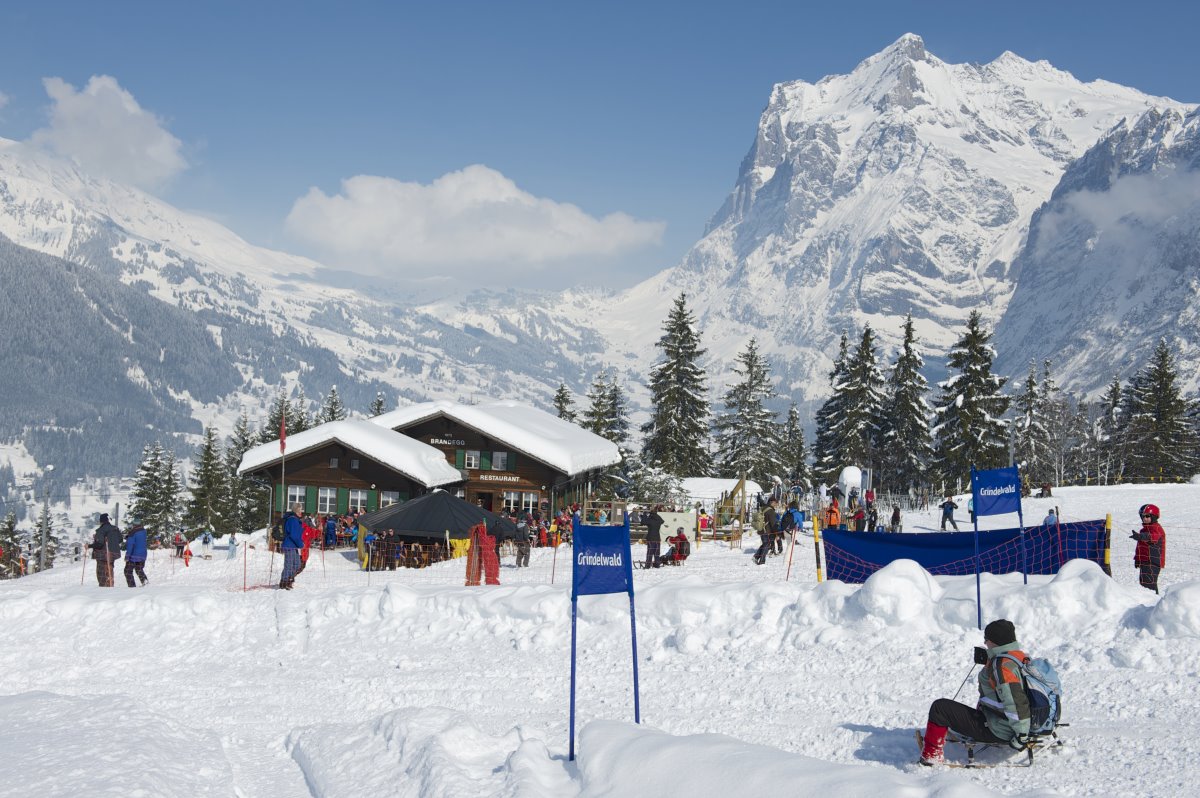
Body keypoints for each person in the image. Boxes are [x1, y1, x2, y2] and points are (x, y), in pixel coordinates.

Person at [918, 619, 1031, 765]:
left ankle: (930, 756)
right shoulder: (1019, 657)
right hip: (1005, 723)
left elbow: (1015, 702)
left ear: (995, 641)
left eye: (987, 639)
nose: (985, 643)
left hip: (1000, 729)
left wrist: (1021, 735)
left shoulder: (1002, 666)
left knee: (940, 708)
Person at [1131, 503, 1166, 594]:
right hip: (1144, 561)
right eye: (1143, 516)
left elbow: (1153, 537)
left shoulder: (1156, 528)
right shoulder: (1143, 530)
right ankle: (1147, 604)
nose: (1145, 518)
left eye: (1147, 516)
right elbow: (1140, 547)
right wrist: (1137, 559)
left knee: (1149, 585)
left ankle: (1154, 603)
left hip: (1153, 562)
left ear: (1154, 517)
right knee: (1143, 584)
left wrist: (1141, 536)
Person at [91, 513, 122, 587]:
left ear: (101, 521)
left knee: (101, 573)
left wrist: (89, 546)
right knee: (109, 570)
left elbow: (99, 544)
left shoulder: (101, 530)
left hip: (103, 555)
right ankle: (110, 585)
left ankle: (103, 589)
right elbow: (120, 539)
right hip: (113, 554)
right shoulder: (115, 529)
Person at [279, 503, 305, 590]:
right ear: (297, 510)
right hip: (289, 545)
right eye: (300, 509)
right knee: (289, 565)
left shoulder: (296, 520)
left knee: (297, 565)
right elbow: (294, 535)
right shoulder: (292, 520)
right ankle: (284, 582)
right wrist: (301, 544)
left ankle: (289, 579)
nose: (301, 511)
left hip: (294, 546)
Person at [122, 519, 150, 587]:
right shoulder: (143, 531)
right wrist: (129, 537)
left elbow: (130, 545)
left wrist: (127, 556)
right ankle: (145, 581)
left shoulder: (132, 533)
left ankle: (132, 587)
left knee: (127, 571)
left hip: (134, 555)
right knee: (139, 569)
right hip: (143, 554)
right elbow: (138, 539)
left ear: (133, 525)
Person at [753, 497, 779, 565]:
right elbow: (773, 524)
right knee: (767, 545)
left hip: (761, 529)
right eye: (775, 503)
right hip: (766, 531)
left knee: (765, 544)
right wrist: (776, 534)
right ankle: (761, 561)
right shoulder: (770, 511)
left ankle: (756, 557)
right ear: (772, 502)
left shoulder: (763, 508)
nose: (776, 504)